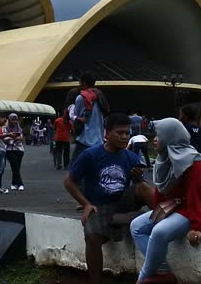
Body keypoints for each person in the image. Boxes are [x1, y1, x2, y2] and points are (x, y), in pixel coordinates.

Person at [64, 112, 153, 284]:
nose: (124, 137)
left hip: (121, 202)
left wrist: (137, 178)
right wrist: (86, 204)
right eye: (119, 133)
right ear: (107, 133)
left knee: (143, 187)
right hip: (99, 206)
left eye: (127, 133)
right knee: (92, 236)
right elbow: (69, 182)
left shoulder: (131, 157)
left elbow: (139, 186)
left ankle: (161, 221)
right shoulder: (91, 155)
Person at [129, 118, 201, 284]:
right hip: (174, 208)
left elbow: (195, 196)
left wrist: (197, 227)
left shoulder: (193, 163)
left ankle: (143, 278)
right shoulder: (164, 159)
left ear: (171, 137)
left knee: (159, 232)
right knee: (136, 226)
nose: (154, 139)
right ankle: (162, 272)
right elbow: (161, 191)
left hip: (197, 210)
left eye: (159, 135)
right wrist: (158, 212)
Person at [71, 72, 110, 164]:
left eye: (80, 82)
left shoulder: (81, 98)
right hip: (99, 140)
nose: (79, 85)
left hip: (85, 139)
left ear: (84, 83)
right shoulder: (100, 96)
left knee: (75, 168)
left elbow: (76, 115)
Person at [3, 113, 26, 191]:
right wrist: (11, 137)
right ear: (9, 120)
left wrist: (19, 138)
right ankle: (20, 184)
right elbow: (4, 139)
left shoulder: (19, 128)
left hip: (19, 150)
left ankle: (13, 183)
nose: (14, 121)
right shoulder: (5, 129)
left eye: (15, 120)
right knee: (15, 167)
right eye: (12, 120)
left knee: (16, 168)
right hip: (10, 150)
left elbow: (22, 138)